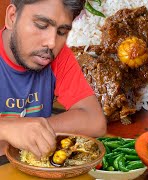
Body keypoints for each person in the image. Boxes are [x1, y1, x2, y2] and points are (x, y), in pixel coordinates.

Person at [0, 0, 106, 159]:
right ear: (12, 17)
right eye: (41, 25)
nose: (51, 43)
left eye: (62, 32)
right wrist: (5, 128)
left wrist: (34, 129)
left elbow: (95, 120)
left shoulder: (58, 56)